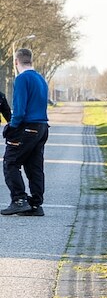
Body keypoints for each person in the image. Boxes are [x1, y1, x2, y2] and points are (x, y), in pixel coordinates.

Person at [2, 48, 50, 217]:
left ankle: (19, 200)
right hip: (42, 127)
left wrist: (12, 127)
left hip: (27, 127)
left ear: (16, 62)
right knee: (34, 166)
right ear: (31, 60)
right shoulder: (40, 78)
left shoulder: (22, 79)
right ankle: (36, 205)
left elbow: (20, 109)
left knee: (10, 162)